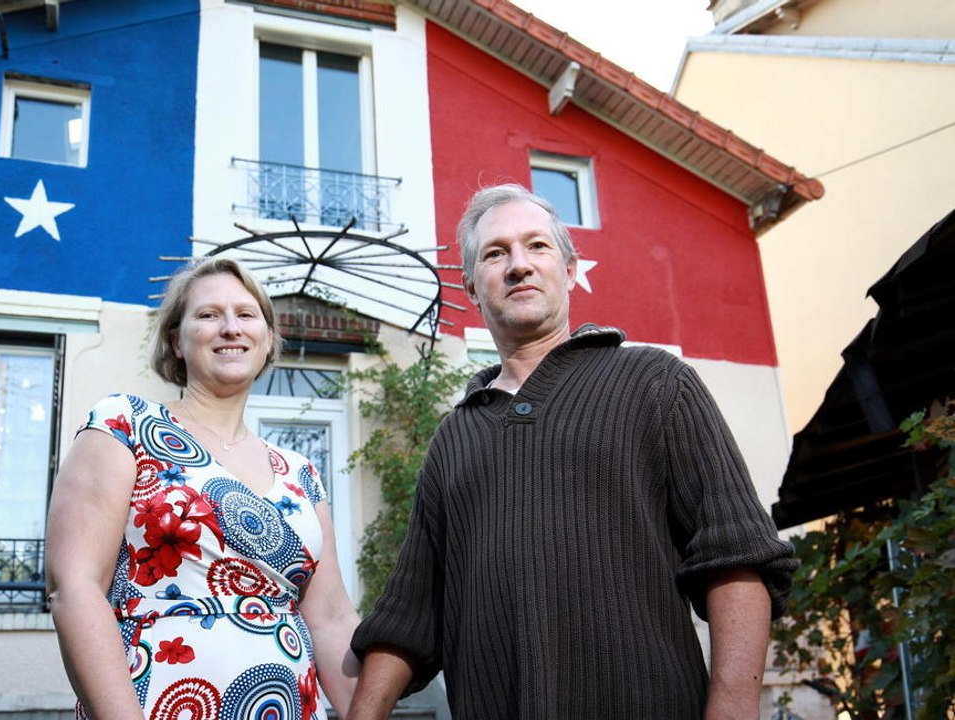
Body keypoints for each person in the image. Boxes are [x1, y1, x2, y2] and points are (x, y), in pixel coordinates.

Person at [346, 184, 798, 720]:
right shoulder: (454, 437)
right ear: (471, 287)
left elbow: (738, 557)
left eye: (537, 247)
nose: (518, 266)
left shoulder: (656, 383)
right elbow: (408, 617)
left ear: (569, 267)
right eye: (496, 253)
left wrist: (731, 711)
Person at [46, 257, 360, 720]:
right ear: (176, 340)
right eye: (209, 315)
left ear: (268, 338)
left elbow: (331, 619)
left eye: (247, 315)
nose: (231, 328)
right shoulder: (125, 425)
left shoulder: (301, 473)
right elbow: (73, 588)